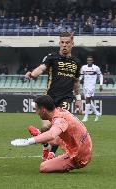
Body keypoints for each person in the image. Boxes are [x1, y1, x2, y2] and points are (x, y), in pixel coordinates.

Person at [24, 32, 82, 161]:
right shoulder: (52, 57)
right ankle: (46, 145)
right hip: (50, 98)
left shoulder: (77, 62)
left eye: (67, 42)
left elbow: (76, 82)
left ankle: (52, 153)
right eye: (62, 42)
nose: (64, 45)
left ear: (72, 44)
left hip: (66, 98)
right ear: (59, 43)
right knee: (46, 126)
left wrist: (78, 99)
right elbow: (41, 68)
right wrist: (32, 74)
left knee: (60, 127)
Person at [11, 95, 92, 173]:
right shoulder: (59, 111)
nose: (37, 113)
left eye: (37, 109)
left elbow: (52, 134)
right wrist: (41, 137)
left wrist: (29, 141)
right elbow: (55, 139)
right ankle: (46, 146)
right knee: (53, 139)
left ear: (43, 110)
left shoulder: (60, 119)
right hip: (84, 148)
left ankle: (58, 160)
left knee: (44, 167)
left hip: (79, 156)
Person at [79, 55, 103, 122]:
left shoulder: (96, 68)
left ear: (92, 61)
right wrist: (78, 80)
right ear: (87, 61)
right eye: (88, 60)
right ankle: (97, 113)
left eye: (90, 60)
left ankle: (86, 117)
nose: (89, 61)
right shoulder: (83, 67)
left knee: (87, 100)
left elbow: (100, 76)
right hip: (85, 86)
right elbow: (81, 76)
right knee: (89, 100)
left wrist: (101, 85)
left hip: (91, 86)